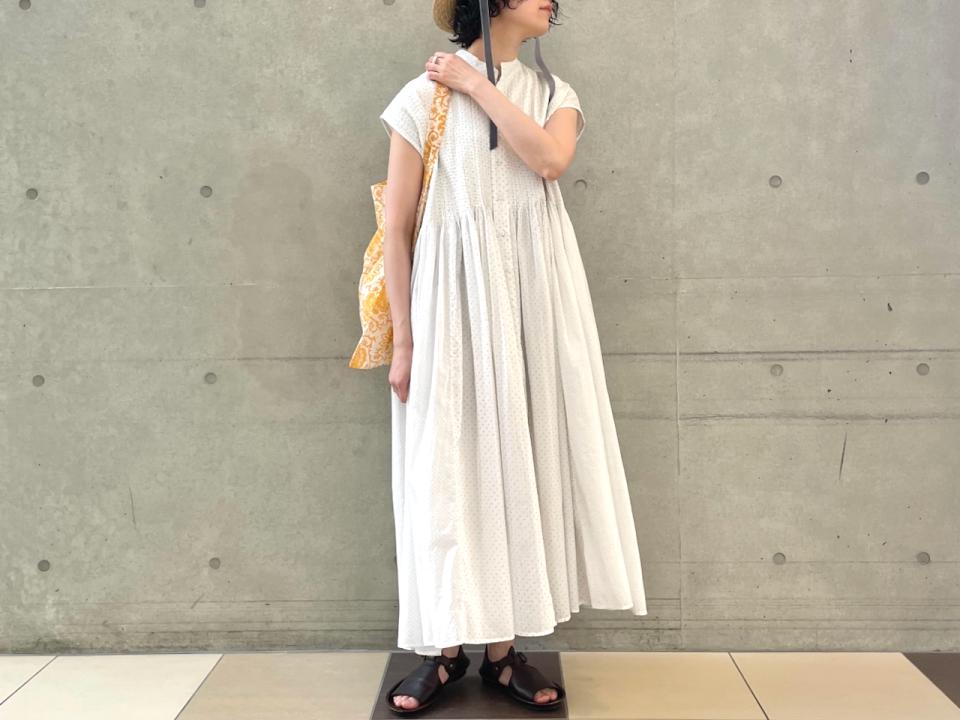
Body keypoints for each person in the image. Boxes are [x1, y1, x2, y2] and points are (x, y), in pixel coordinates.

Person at [379, 0, 648, 713]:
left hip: (533, 305)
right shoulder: (420, 99)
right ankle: (441, 652)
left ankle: (502, 654)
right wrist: (404, 340)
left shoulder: (555, 93)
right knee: (446, 470)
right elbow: (397, 227)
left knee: (519, 465)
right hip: (448, 305)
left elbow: (550, 161)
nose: (553, 1)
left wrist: (475, 84)